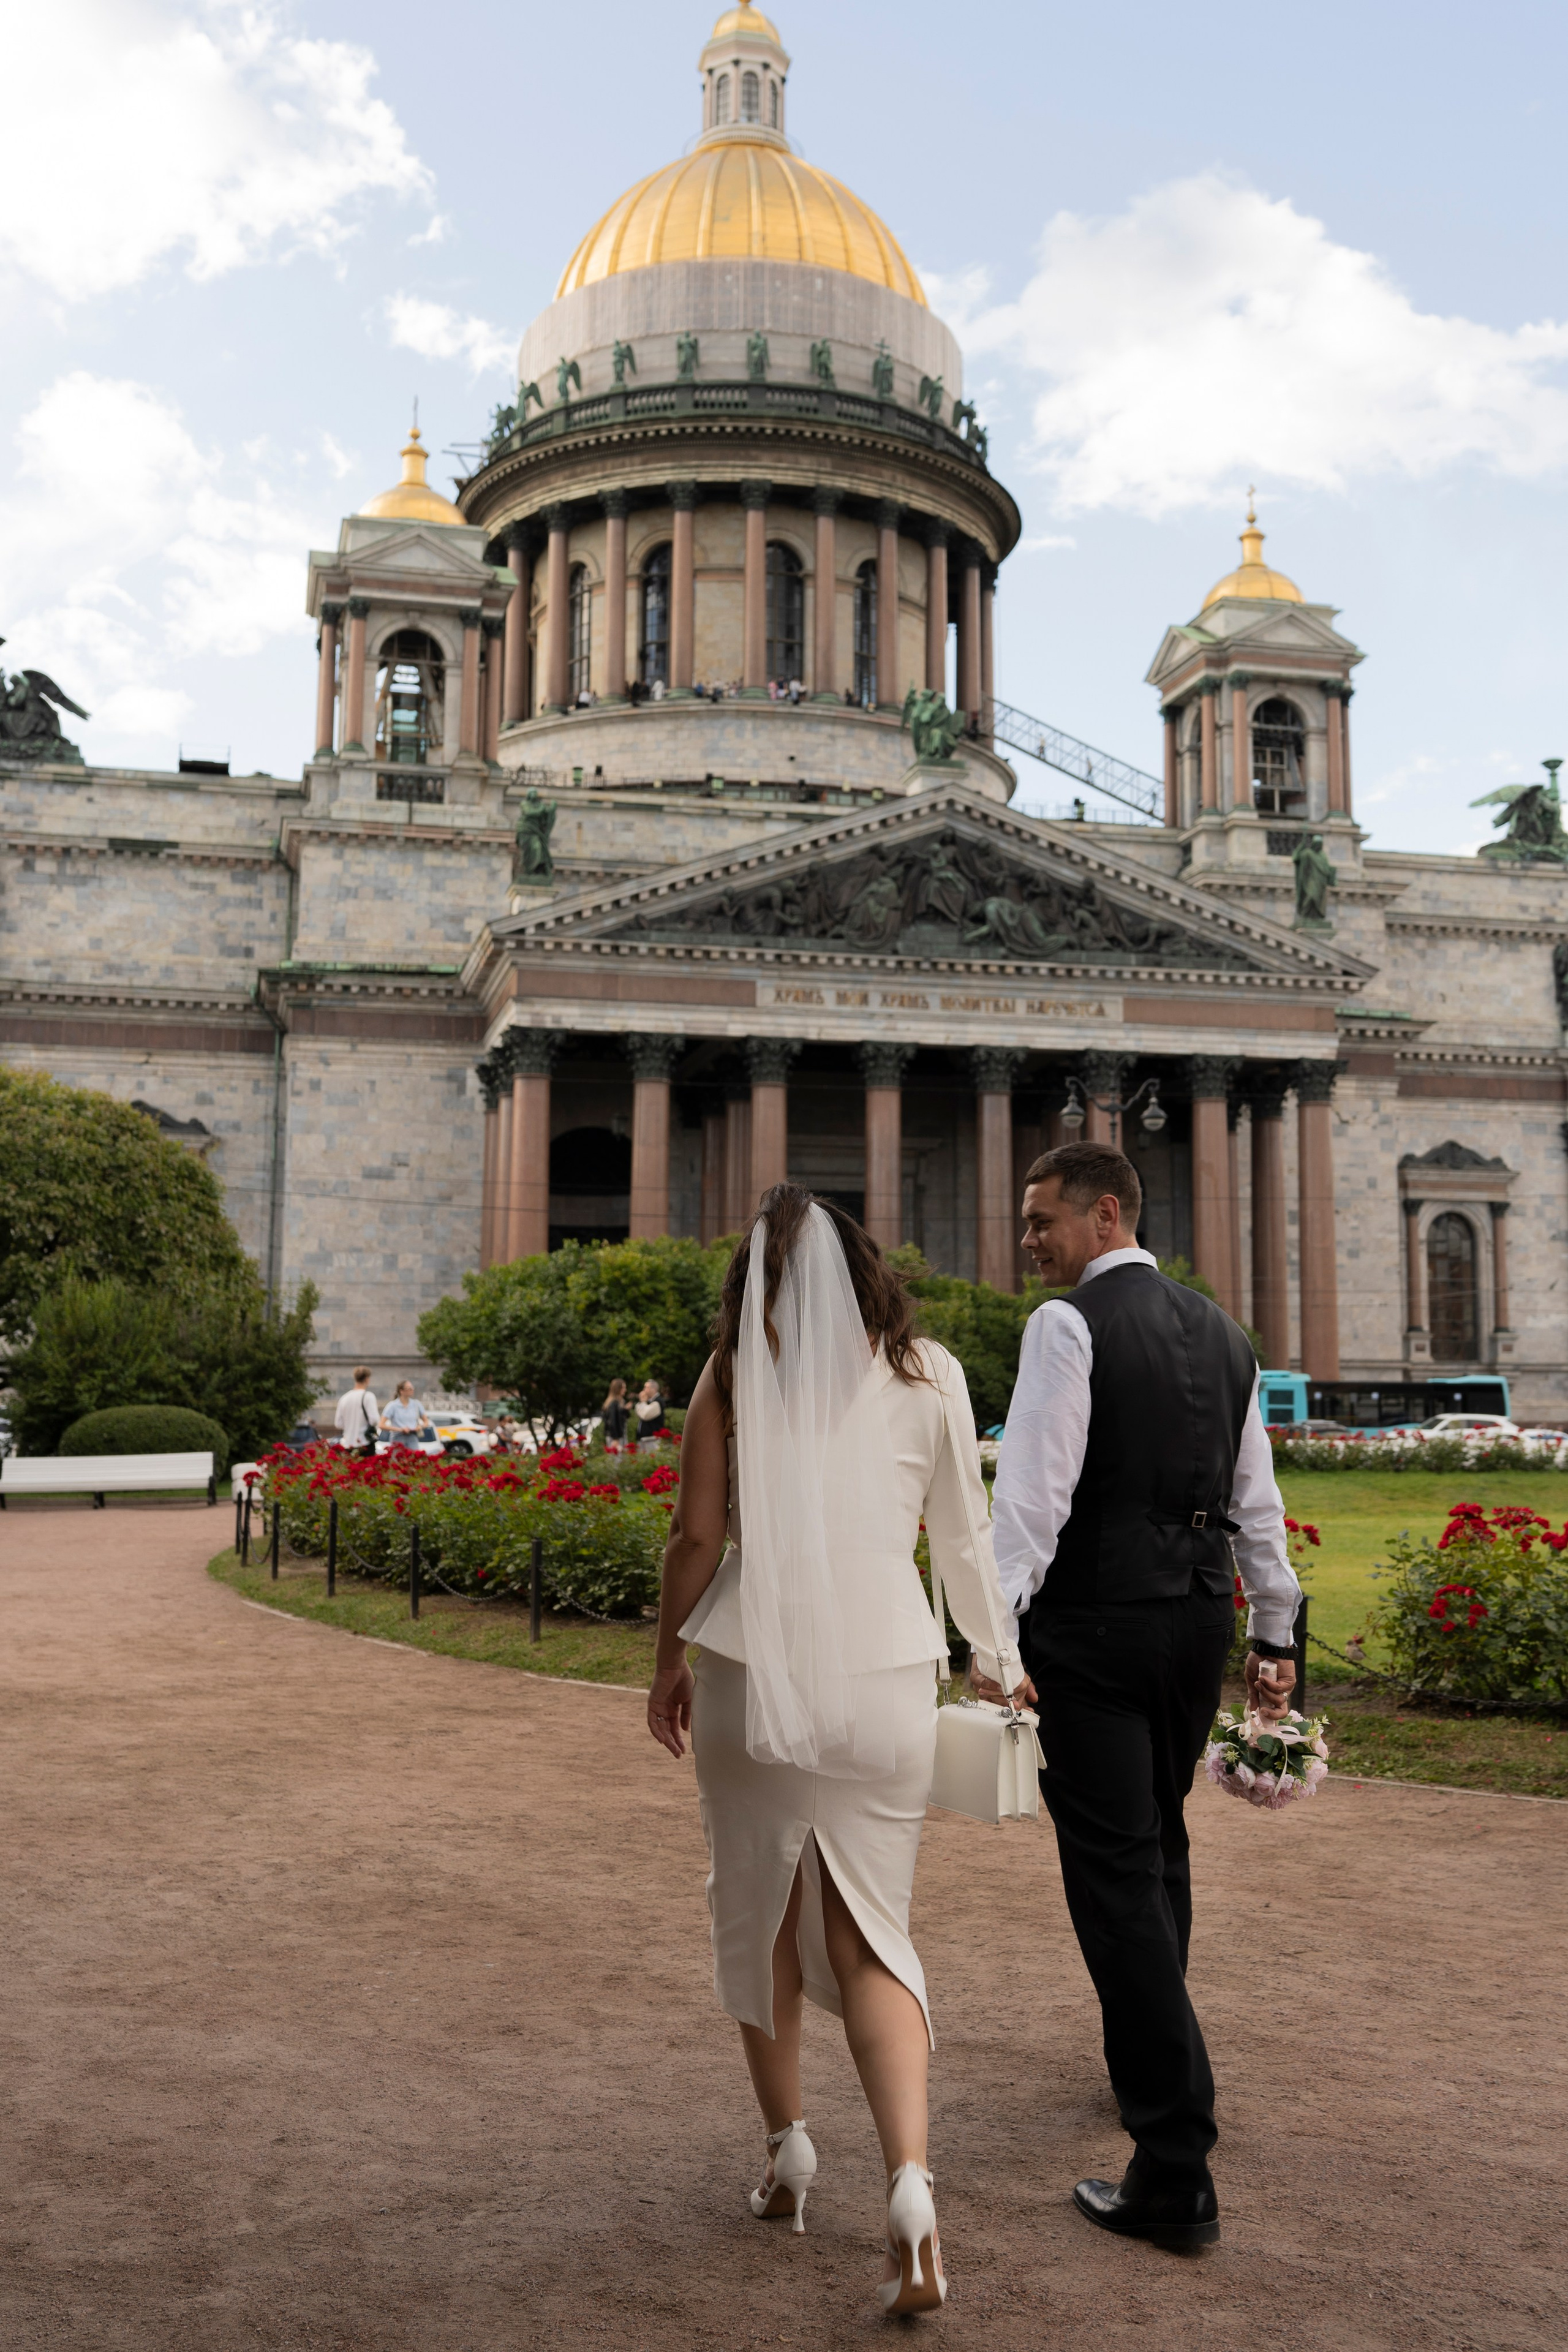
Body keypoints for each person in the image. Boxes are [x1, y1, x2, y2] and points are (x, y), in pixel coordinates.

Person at [646, 1185, 1027, 2315]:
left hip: (750, 1667)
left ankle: (788, 2156)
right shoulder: (934, 1374)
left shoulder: (730, 1372)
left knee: (757, 1905)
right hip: (886, 1673)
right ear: (864, 1269)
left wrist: (664, 1660)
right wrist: (995, 1661)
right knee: (871, 1930)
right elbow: (964, 1537)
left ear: (756, 1280)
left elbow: (696, 1538)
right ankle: (910, 2187)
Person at [980, 1142, 1300, 2250]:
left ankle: (1174, 2159)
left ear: (1104, 1214)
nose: (1029, 1241)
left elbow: (1032, 1500)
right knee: (1158, 1850)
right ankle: (1144, 2072)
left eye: (1041, 1221)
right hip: (1192, 1624)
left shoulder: (1066, 1326)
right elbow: (1255, 1496)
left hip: (1097, 1627)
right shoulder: (1226, 1333)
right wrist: (1275, 1629)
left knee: (1115, 1872)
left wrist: (985, 1636)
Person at [333, 1366, 379, 1457]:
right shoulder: (368, 1396)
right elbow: (374, 1420)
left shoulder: (344, 1398)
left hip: (348, 1444)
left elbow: (338, 1424)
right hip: (365, 1443)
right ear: (367, 1379)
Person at [380, 1379, 431, 1446]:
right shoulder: (393, 1405)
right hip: (397, 1438)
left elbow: (426, 1422)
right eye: (409, 1389)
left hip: (413, 1437)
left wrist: (420, 1427)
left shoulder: (416, 1404)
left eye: (412, 1388)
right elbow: (381, 1425)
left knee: (415, 1455)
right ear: (401, 1391)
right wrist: (400, 1429)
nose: (412, 1390)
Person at [633, 1379, 666, 1451]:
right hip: (645, 1439)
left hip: (652, 1440)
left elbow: (645, 1415)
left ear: (653, 1389)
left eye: (646, 1387)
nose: (644, 1390)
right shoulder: (649, 1401)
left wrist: (643, 1402)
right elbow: (638, 1412)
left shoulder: (658, 1402)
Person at [601, 1378, 630, 1450]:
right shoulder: (613, 1403)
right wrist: (615, 1438)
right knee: (617, 1459)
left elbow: (623, 1417)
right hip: (615, 1437)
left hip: (619, 1435)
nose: (625, 1390)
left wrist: (625, 1410)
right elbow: (612, 1422)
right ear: (618, 1389)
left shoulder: (619, 1402)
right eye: (623, 1388)